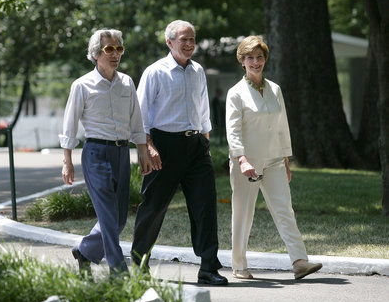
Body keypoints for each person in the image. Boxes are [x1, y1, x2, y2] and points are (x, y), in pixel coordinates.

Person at [131, 20, 228, 286]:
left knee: (205, 207)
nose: (189, 44)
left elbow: (203, 110)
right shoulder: (155, 72)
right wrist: (147, 147)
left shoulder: (197, 71)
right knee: (153, 207)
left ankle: (208, 268)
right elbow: (140, 115)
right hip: (163, 146)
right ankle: (139, 265)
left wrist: (205, 145)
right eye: (183, 39)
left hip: (196, 147)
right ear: (169, 42)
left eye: (192, 39)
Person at [225, 35, 322, 280]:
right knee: (243, 213)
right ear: (242, 61)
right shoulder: (236, 93)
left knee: (284, 210)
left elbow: (282, 127)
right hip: (246, 162)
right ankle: (238, 265)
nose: (255, 62)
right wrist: (242, 160)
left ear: (265, 59)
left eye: (259, 57)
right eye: (250, 58)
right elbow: (233, 131)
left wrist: (286, 160)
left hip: (275, 161)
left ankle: (299, 261)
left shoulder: (275, 89)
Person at [59, 29, 153, 277]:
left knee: (119, 218)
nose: (115, 54)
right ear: (95, 53)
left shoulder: (127, 82)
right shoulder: (82, 85)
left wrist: (142, 150)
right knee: (109, 217)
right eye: (109, 49)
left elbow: (136, 121)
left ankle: (85, 249)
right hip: (96, 154)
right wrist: (67, 161)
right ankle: (117, 269)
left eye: (119, 49)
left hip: (122, 154)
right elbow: (69, 126)